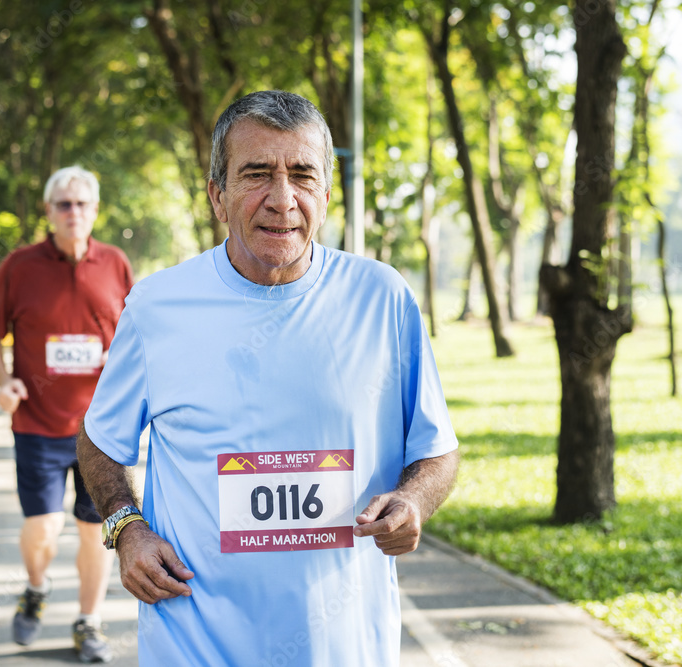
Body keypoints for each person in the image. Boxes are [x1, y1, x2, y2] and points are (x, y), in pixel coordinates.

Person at [77, 90, 460, 666]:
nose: (282, 200)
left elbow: (437, 451)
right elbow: (100, 440)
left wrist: (413, 502)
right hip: (194, 643)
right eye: (257, 173)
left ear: (327, 196)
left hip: (344, 646)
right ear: (218, 195)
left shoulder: (383, 299)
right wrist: (126, 528)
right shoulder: (158, 307)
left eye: (303, 175)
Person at [0, 165, 133, 663]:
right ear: (49, 212)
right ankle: (36, 585)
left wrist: (123, 363)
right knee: (43, 529)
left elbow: (134, 333)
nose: (73, 212)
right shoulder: (20, 266)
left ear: (94, 210)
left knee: (97, 530)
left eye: (82, 204)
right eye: (63, 204)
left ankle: (89, 623)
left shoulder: (115, 263)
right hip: (38, 427)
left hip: (102, 430)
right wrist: (5, 383)